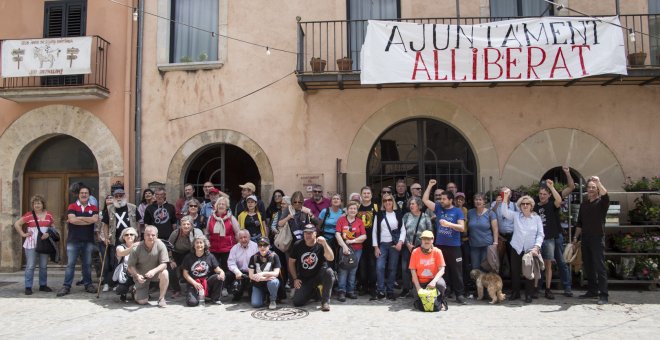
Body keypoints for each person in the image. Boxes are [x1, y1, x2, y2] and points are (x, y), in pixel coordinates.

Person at [422, 179, 467, 305]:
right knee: (442, 270)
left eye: (444, 199)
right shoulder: (438, 208)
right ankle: (444, 293)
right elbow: (425, 200)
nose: (441, 201)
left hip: (454, 246)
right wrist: (430, 186)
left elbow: (462, 228)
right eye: (440, 199)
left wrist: (448, 224)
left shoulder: (457, 211)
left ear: (450, 200)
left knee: (457, 271)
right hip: (440, 246)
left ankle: (459, 294)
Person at [537, 166, 576, 298]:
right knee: (543, 263)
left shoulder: (554, 200)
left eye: (544, 193)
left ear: (549, 194)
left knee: (560, 262)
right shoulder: (536, 205)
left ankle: (567, 287)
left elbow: (571, 187)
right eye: (540, 193)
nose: (542, 196)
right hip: (542, 238)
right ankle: (541, 287)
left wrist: (567, 173)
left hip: (556, 236)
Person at [499, 191, 544, 303]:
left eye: (527, 204)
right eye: (523, 204)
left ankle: (528, 294)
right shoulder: (516, 215)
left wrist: (537, 247)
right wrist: (505, 198)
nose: (525, 205)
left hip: (530, 249)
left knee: (528, 272)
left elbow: (540, 234)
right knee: (515, 271)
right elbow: (504, 212)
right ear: (519, 206)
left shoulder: (536, 218)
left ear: (531, 206)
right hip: (516, 247)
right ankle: (516, 293)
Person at [57, 184, 99, 297]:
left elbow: (95, 219)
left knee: (87, 264)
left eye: (86, 193)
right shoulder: (72, 206)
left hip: (88, 240)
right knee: (70, 264)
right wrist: (87, 220)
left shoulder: (93, 208)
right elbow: (72, 220)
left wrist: (79, 218)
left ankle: (88, 284)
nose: (84, 195)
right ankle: (66, 286)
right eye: (82, 193)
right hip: (73, 240)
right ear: (78, 195)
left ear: (89, 195)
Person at [573, 176, 610, 305]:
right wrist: (575, 238)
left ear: (597, 189)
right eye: (589, 187)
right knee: (588, 266)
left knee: (600, 266)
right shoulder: (584, 205)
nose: (591, 189)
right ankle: (592, 291)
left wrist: (598, 182)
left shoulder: (602, 202)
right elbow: (580, 223)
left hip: (597, 238)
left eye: (593, 187)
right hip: (586, 238)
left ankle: (604, 295)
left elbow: (606, 194)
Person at [14, 194, 56, 295]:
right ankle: (28, 287)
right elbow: (17, 224)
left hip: (44, 243)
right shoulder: (29, 215)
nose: (37, 205)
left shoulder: (49, 215)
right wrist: (23, 234)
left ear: (43, 204)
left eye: (39, 203)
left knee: (43, 266)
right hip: (31, 243)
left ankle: (43, 285)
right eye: (35, 203)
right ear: (32, 205)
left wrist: (48, 233)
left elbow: (53, 228)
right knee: (30, 265)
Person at [289, 224, 335, 311]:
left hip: (319, 275)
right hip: (305, 277)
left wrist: (325, 244)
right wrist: (295, 278)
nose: (307, 235)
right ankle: (314, 292)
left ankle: (325, 302)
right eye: (306, 233)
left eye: (310, 233)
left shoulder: (321, 244)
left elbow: (331, 258)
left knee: (329, 272)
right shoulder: (298, 244)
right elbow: (291, 262)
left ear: (315, 234)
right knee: (297, 302)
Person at [101, 188, 137, 292]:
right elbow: (105, 224)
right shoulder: (109, 209)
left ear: (124, 196)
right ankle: (110, 283)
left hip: (130, 238)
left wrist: (137, 236)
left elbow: (139, 223)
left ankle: (126, 283)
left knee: (130, 261)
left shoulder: (133, 207)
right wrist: (107, 237)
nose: (118, 198)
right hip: (116, 239)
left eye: (120, 195)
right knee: (114, 262)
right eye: (116, 196)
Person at [127, 225, 170, 307]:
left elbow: (164, 264)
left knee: (165, 273)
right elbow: (130, 266)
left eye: (153, 235)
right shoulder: (136, 248)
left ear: (157, 236)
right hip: (141, 276)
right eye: (148, 235)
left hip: (155, 274)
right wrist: (137, 275)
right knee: (142, 302)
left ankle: (161, 298)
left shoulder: (161, 245)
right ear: (144, 236)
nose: (150, 237)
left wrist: (154, 271)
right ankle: (134, 290)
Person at [373, 193, 405, 300]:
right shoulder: (379, 214)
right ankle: (381, 291)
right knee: (380, 267)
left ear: (393, 201)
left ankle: (390, 291)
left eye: (389, 200)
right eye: (385, 200)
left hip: (394, 245)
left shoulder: (398, 214)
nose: (387, 202)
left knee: (392, 268)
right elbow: (374, 231)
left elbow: (403, 230)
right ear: (383, 203)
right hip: (382, 245)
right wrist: (376, 247)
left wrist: (400, 242)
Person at [400, 196, 434, 298]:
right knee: (405, 268)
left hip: (421, 248)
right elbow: (402, 231)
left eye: (413, 204)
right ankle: (406, 289)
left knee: (419, 268)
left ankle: (417, 288)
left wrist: (427, 246)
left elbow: (430, 232)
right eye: (410, 204)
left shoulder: (425, 217)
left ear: (419, 205)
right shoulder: (406, 216)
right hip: (408, 247)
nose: (411, 206)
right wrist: (407, 244)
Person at [334, 200, 367, 301]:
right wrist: (344, 246)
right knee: (343, 270)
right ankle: (341, 291)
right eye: (350, 208)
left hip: (357, 250)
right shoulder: (341, 220)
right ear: (347, 210)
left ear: (357, 211)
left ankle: (350, 291)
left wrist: (352, 241)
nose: (352, 210)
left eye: (354, 209)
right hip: (344, 249)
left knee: (353, 270)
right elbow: (337, 234)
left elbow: (364, 236)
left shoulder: (359, 222)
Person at [181, 235, 225, 306]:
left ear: (205, 245)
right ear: (194, 245)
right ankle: (196, 296)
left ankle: (215, 299)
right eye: (197, 243)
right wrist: (194, 283)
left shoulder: (210, 256)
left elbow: (217, 269)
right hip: (194, 283)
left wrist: (222, 272)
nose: (199, 245)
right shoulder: (188, 257)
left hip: (206, 282)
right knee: (192, 303)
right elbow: (185, 274)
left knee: (218, 277)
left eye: (201, 243)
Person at [409, 230, 447, 311]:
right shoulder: (415, 252)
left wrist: (434, 281)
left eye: (429, 239)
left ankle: (441, 300)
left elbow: (442, 269)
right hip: (420, 281)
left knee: (441, 284)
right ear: (421, 240)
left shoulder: (437, 251)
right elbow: (413, 270)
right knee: (419, 304)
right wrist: (418, 287)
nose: (426, 241)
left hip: (433, 281)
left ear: (432, 240)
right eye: (424, 239)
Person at [168, 216, 204, 298]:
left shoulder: (197, 232)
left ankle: (191, 288)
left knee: (194, 267)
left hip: (191, 253)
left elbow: (202, 245)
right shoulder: (175, 233)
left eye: (188, 224)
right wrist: (171, 260)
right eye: (184, 224)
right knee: (170, 268)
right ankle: (176, 290)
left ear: (192, 225)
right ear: (180, 225)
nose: (186, 226)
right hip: (177, 253)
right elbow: (168, 247)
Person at [206, 196, 240, 273]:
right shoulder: (211, 218)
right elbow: (207, 233)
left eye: (223, 204)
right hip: (213, 249)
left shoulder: (231, 218)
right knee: (214, 270)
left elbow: (237, 233)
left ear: (227, 207)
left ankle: (226, 284)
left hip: (228, 249)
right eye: (219, 204)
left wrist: (237, 247)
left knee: (227, 269)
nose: (221, 205)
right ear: (216, 206)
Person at [356, 186, 378, 299]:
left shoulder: (375, 207)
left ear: (371, 195)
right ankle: (364, 286)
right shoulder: (357, 208)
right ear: (361, 195)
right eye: (364, 193)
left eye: (368, 193)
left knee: (372, 265)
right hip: (360, 242)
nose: (366, 195)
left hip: (372, 241)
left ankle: (373, 287)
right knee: (362, 265)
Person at [467, 193, 498, 270]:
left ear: (484, 201)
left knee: (486, 268)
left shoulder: (490, 213)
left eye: (480, 199)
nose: (478, 201)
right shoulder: (470, 212)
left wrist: (495, 243)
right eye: (476, 199)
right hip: (474, 245)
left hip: (487, 245)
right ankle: (477, 282)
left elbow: (495, 229)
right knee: (475, 268)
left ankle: (485, 282)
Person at [248, 237, 281, 309]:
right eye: (260, 245)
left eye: (265, 245)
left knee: (273, 282)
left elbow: (276, 273)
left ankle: (272, 300)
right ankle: (263, 296)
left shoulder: (274, 256)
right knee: (255, 304)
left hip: (270, 282)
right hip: (258, 284)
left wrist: (262, 274)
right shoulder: (253, 257)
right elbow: (251, 275)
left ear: (269, 246)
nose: (262, 247)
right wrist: (264, 278)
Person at [226, 229, 258, 301]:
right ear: (238, 239)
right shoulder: (234, 248)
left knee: (251, 298)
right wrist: (237, 272)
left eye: (245, 237)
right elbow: (231, 263)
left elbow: (258, 262)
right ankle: (234, 292)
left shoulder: (255, 246)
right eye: (241, 238)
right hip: (239, 273)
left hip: (252, 272)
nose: (243, 240)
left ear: (249, 237)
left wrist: (252, 274)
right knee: (228, 275)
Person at [318, 193, 344, 269]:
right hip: (326, 239)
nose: (336, 200)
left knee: (336, 259)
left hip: (337, 240)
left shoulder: (343, 213)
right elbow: (319, 226)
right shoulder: (325, 211)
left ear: (341, 201)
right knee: (327, 260)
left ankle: (335, 276)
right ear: (331, 201)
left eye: (337, 199)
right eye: (334, 198)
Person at [114, 227, 139, 302]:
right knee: (121, 289)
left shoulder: (140, 246)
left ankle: (138, 290)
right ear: (123, 237)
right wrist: (132, 247)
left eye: (131, 234)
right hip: (126, 274)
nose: (129, 236)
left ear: (135, 236)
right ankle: (125, 292)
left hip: (139, 272)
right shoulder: (120, 247)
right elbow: (121, 253)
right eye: (126, 235)